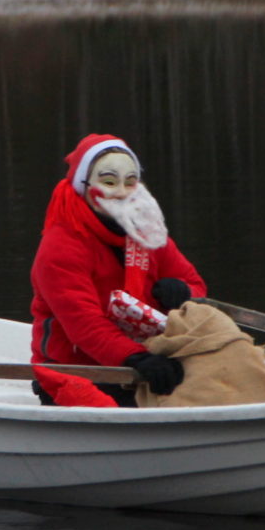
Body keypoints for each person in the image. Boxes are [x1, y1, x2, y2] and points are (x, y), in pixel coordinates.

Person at [30, 134, 206, 406]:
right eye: (109, 182)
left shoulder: (147, 233)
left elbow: (196, 286)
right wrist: (138, 359)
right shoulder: (61, 246)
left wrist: (183, 292)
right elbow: (85, 326)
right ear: (84, 186)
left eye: (131, 181)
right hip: (77, 368)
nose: (122, 192)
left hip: (146, 356)